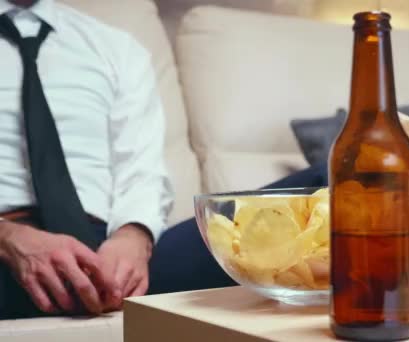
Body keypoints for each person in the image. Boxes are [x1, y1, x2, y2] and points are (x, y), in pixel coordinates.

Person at [0, 0, 327, 319]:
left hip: (110, 251)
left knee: (333, 177)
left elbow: (142, 170)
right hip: (7, 247)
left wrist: (133, 237)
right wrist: (10, 238)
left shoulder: (115, 47)